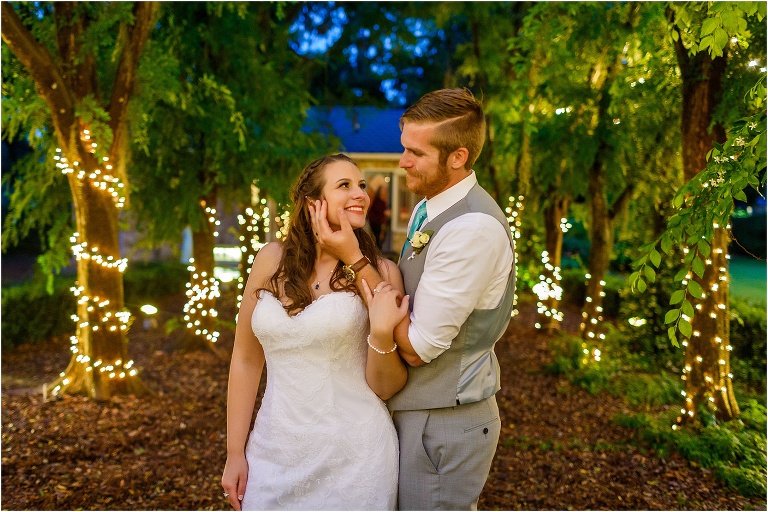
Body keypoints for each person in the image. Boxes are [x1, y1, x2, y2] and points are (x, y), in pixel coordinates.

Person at [310, 88, 516, 510]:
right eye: (404, 149)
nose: (403, 162)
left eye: (415, 153)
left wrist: (355, 259)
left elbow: (418, 348)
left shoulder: (471, 228)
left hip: (444, 425)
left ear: (457, 157)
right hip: (419, 415)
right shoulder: (432, 208)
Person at [221, 154, 410, 511]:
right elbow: (246, 360)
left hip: (355, 456)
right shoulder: (270, 260)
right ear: (313, 203)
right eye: (345, 185)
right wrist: (235, 452)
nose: (361, 194)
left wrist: (381, 332)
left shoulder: (381, 273)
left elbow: (388, 386)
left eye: (362, 186)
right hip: (272, 451)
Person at [368, 184, 390, 250]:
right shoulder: (378, 201)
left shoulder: (383, 201)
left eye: (385, 191)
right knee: (377, 239)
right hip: (376, 223)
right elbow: (377, 211)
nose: (384, 192)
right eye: (383, 190)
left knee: (380, 239)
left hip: (380, 223)